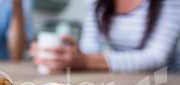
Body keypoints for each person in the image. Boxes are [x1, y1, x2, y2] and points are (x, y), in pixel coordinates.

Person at [31, 0, 180, 73]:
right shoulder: (99, 4)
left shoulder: (169, 2)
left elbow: (156, 57)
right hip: (120, 80)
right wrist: (65, 53)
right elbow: (89, 49)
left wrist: (86, 61)